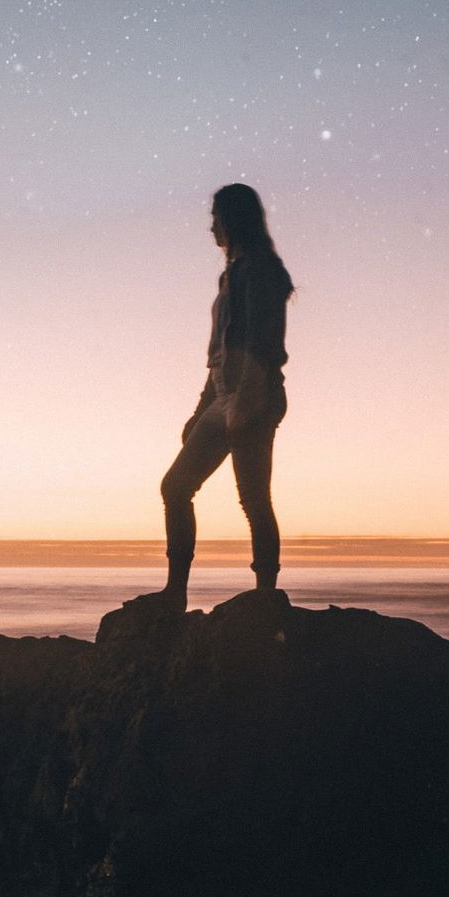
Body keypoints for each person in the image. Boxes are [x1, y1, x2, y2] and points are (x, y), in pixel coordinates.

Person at [159, 183, 293, 606]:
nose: (210, 226)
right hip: (222, 397)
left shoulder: (261, 269)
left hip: (254, 395)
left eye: (215, 217)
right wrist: (202, 408)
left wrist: (246, 402)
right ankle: (175, 592)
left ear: (232, 219)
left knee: (253, 498)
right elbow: (220, 352)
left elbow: (261, 342)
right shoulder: (229, 275)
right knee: (176, 487)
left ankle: (266, 597)